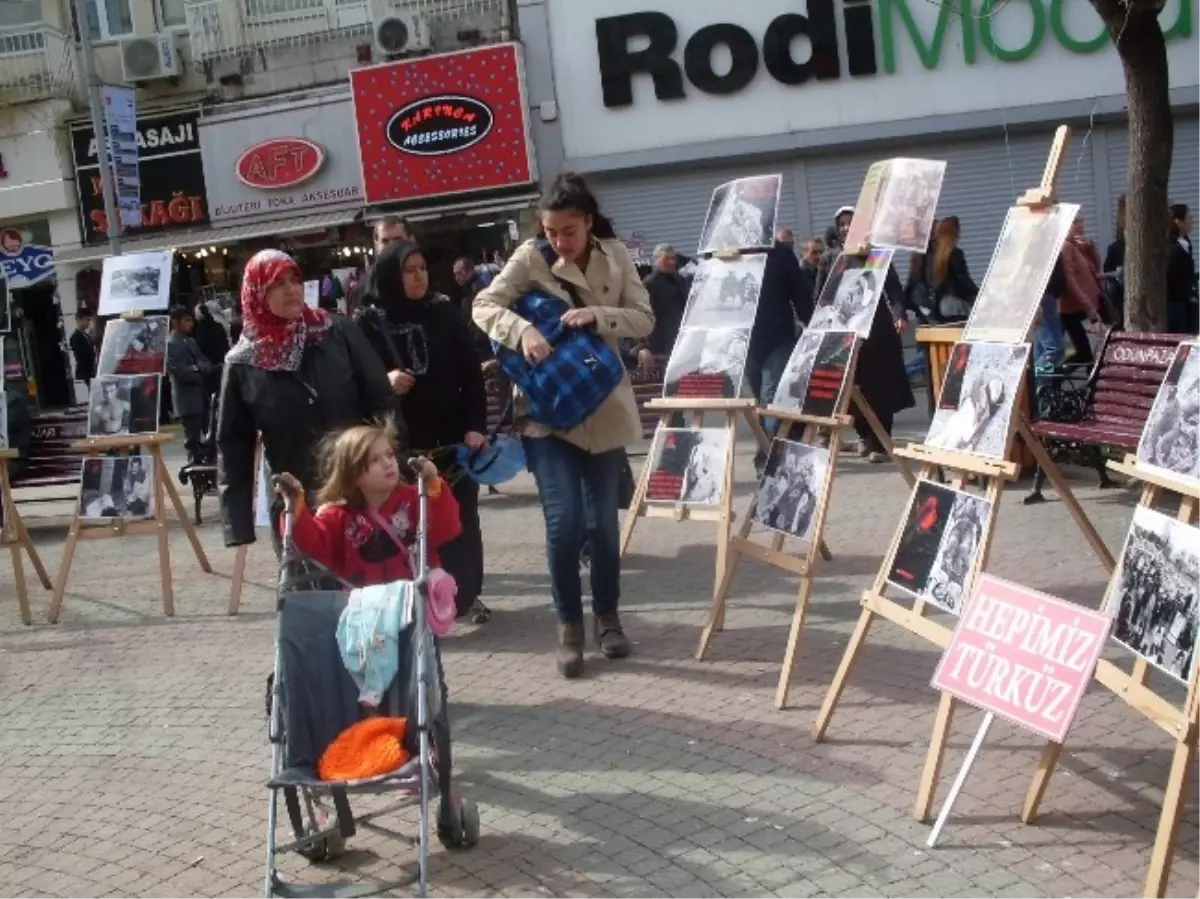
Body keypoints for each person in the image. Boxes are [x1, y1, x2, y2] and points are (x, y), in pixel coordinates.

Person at [473, 172, 654, 678]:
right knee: (564, 521)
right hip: (547, 411)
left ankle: (609, 620)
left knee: (601, 523)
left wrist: (596, 315)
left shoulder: (615, 255)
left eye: (568, 231)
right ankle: (569, 628)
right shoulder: (530, 257)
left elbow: (644, 317)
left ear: (587, 223)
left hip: (601, 404)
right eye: (551, 231)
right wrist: (522, 329)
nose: (559, 241)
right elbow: (483, 304)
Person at [217, 249, 395, 555]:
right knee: (309, 593)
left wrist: (392, 472)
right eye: (277, 283)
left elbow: (382, 401)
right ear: (257, 293)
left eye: (294, 280)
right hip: (297, 500)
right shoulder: (242, 364)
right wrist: (237, 523)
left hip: (359, 488)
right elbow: (233, 446)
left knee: (369, 586)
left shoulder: (336, 332)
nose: (291, 290)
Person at [358, 241, 492, 625]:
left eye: (422, 268)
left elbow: (470, 372)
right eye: (409, 270)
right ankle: (418, 600)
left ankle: (464, 597)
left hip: (451, 441)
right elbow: (358, 381)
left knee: (459, 520)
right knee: (408, 526)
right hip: (399, 447)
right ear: (390, 275)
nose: (419, 276)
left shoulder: (443, 310)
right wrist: (385, 381)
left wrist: (474, 427)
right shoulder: (367, 320)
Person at [276, 422, 462, 588]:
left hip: (414, 604)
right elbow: (314, 545)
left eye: (389, 455)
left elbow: (446, 529)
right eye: (374, 460)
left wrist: (432, 485)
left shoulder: (413, 498)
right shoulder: (338, 514)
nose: (387, 463)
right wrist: (296, 508)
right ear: (352, 473)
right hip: (365, 612)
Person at [817, 205, 914, 462]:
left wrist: (899, 315)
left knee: (881, 387)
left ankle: (882, 443)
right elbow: (822, 297)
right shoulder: (832, 258)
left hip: (878, 330)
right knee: (852, 388)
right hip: (846, 331)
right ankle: (865, 436)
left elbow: (893, 290)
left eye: (851, 223)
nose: (846, 228)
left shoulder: (878, 254)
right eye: (842, 224)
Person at [750, 228, 812, 470]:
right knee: (758, 401)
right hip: (747, 341)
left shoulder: (780, 255)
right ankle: (771, 450)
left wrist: (812, 324)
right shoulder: (732, 256)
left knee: (770, 396)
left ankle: (768, 458)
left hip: (778, 336)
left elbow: (799, 292)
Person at [165, 305, 214, 463]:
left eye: (191, 321)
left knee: (211, 436)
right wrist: (199, 370)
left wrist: (197, 368)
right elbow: (181, 372)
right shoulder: (171, 344)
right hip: (187, 399)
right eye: (186, 321)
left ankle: (208, 467)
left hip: (202, 396)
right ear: (175, 322)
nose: (190, 324)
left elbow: (207, 364)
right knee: (192, 441)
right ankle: (195, 473)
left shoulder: (191, 341)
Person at [1059, 213, 1103, 362]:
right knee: (1085, 353)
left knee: (1089, 353)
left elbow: (1095, 268)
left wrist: (1091, 249)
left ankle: (1090, 382)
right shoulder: (1065, 246)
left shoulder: (1076, 246)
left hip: (1085, 305)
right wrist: (1088, 306)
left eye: (1081, 222)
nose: (1081, 225)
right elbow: (1069, 279)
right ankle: (1052, 377)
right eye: (1076, 222)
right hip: (1074, 310)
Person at [347, 216, 412, 316]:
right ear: (376, 244)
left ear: (410, 240)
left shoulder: (423, 279)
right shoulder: (361, 290)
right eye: (385, 241)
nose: (391, 246)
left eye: (397, 239)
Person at [927, 216, 978, 323]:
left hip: (939, 308)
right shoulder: (955, 254)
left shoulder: (930, 256)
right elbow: (963, 282)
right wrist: (979, 295)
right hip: (956, 306)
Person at [643, 244, 689, 357]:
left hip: (681, 340)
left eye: (673, 258)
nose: (671, 262)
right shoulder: (650, 284)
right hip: (660, 345)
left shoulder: (680, 280)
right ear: (656, 260)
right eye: (666, 259)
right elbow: (643, 315)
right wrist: (644, 346)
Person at [192, 301, 230, 394]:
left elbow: (200, 347)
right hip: (221, 361)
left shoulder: (199, 329)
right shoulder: (218, 324)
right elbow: (225, 342)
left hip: (209, 364)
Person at [70, 312, 96, 390]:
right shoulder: (75, 337)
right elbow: (79, 357)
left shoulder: (86, 335)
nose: (88, 323)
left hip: (92, 367)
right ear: (79, 320)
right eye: (87, 320)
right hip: (87, 370)